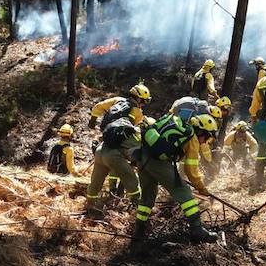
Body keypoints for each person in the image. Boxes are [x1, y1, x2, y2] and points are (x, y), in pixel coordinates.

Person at [135, 113, 219, 244]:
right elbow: (190, 170)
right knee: (185, 193)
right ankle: (197, 230)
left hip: (143, 157)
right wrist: (201, 188)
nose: (205, 142)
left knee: (147, 196)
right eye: (207, 137)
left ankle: (139, 231)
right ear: (201, 132)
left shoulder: (179, 125)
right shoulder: (192, 138)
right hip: (157, 163)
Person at [89, 84, 151, 197]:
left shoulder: (117, 100)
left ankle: (100, 194)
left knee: (107, 163)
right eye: (143, 101)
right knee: (132, 158)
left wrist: (92, 120)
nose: (143, 104)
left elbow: (98, 107)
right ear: (137, 98)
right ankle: (128, 194)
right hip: (122, 139)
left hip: (107, 135)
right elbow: (134, 130)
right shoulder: (138, 112)